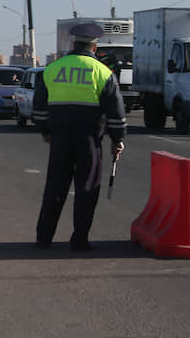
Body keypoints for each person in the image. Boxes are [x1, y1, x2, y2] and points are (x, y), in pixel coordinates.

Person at [32, 23, 127, 251]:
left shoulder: (52, 69)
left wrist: (45, 130)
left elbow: (39, 108)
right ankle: (79, 240)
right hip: (89, 140)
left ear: (73, 44)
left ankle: (44, 239)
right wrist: (117, 139)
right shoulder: (103, 72)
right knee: (87, 189)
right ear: (94, 47)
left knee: (55, 187)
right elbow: (116, 112)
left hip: (60, 138)